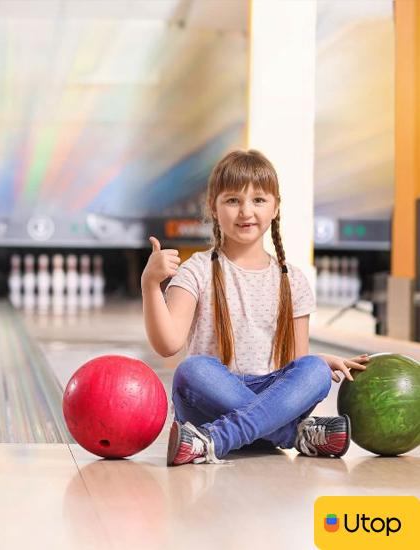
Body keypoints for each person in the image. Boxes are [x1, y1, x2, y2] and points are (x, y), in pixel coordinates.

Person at [141, 149, 368, 466]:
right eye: (233, 200)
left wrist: (317, 362)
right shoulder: (198, 270)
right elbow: (167, 345)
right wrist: (150, 284)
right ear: (213, 207)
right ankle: (292, 435)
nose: (246, 211)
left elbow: (294, 366)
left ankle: (214, 440)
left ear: (275, 207)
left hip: (251, 402)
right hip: (207, 401)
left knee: (314, 369)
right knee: (192, 370)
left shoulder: (293, 280)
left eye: (258, 200)